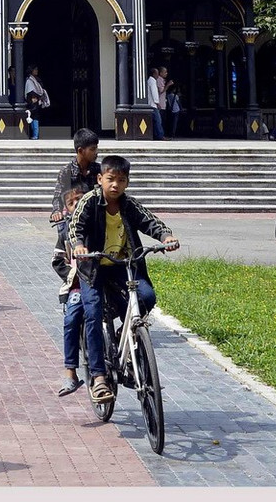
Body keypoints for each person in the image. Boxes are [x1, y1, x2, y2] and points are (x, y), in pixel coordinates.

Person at [67, 153, 179, 404]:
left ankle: (122, 336)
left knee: (147, 297)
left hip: (124, 266)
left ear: (127, 182)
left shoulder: (128, 204)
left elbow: (150, 221)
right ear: (100, 179)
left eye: (121, 180)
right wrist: (79, 245)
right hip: (93, 267)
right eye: (110, 179)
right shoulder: (89, 202)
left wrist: (166, 237)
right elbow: (76, 227)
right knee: (93, 314)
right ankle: (98, 378)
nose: (115, 185)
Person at [52, 185, 86, 396]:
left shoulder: (96, 222)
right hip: (77, 285)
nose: (76, 206)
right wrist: (73, 275)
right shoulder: (64, 231)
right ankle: (70, 372)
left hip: (103, 281)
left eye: (80, 201)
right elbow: (57, 261)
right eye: (71, 204)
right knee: (72, 318)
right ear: (65, 209)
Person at [50, 128, 101, 224]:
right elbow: (58, 196)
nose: (96, 152)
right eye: (92, 149)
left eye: (96, 148)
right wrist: (57, 211)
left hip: (95, 219)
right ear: (80, 151)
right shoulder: (66, 171)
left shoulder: (99, 170)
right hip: (73, 220)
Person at [146, 68, 165, 141]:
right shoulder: (153, 81)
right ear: (154, 74)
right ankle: (160, 135)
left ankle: (156, 135)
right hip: (153, 104)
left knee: (155, 121)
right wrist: (157, 103)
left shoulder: (150, 81)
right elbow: (154, 93)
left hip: (151, 104)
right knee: (158, 120)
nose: (158, 75)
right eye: (157, 73)